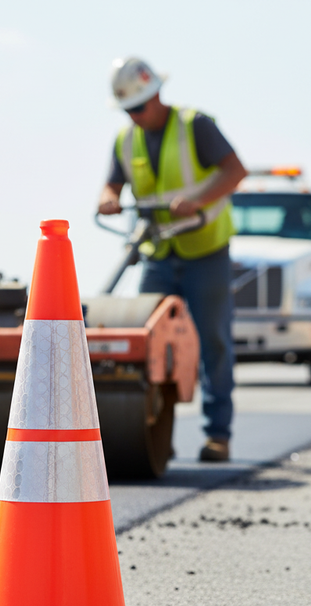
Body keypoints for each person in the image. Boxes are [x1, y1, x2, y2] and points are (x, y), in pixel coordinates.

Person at [98, 57, 247, 462]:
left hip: (205, 252)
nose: (136, 116)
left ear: (156, 94)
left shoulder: (194, 125)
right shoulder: (125, 141)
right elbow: (111, 185)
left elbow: (234, 171)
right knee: (145, 339)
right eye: (129, 110)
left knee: (213, 342)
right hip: (158, 254)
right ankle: (147, 426)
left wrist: (197, 200)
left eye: (140, 107)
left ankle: (218, 435)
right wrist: (109, 199)